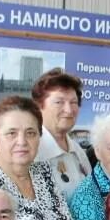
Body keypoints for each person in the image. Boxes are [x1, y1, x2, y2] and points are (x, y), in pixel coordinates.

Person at [33, 68, 93, 200]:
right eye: (59, 102)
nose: (69, 110)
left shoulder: (78, 152)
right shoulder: (32, 151)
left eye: (74, 102)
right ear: (39, 106)